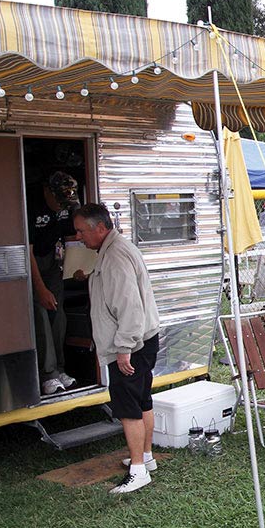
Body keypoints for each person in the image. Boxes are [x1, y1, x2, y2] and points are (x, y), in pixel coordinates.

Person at [73, 204, 160, 495]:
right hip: (142, 340)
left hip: (131, 344)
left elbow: (129, 306)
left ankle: (137, 471)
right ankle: (146, 457)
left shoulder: (114, 256)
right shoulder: (115, 249)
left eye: (81, 231)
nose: (78, 237)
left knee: (127, 406)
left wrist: (124, 348)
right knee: (142, 399)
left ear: (100, 228)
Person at [29, 171, 79, 395]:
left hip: (52, 260)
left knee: (58, 314)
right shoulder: (31, 204)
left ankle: (60, 369)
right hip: (33, 260)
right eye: (58, 201)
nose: (61, 206)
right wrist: (40, 289)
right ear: (47, 191)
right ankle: (47, 374)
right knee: (40, 312)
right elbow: (27, 251)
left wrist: (77, 267)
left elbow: (71, 239)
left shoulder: (67, 205)